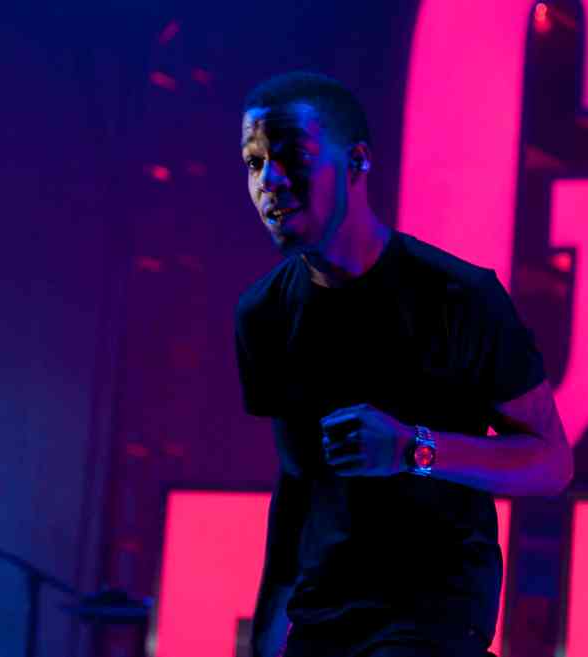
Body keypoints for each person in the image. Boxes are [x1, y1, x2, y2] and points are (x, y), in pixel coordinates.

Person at [234, 73, 572, 657]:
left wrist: (413, 450)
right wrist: (266, 635)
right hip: (323, 623)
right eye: (254, 161)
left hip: (434, 621)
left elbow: (551, 462)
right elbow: (297, 484)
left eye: (291, 157)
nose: (270, 181)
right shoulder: (262, 313)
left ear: (358, 160)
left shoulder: (459, 296)